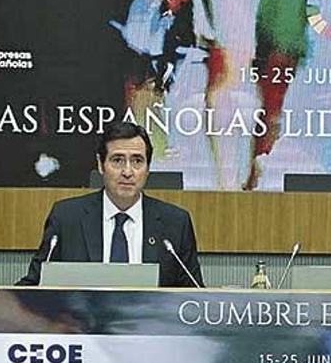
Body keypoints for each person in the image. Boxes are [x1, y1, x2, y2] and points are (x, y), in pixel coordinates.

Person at [18, 122, 203, 287]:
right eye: (117, 160)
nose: (128, 172)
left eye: (137, 161)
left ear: (148, 169)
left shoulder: (175, 223)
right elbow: (34, 286)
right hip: (82, 324)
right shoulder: (67, 218)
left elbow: (194, 298)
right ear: (100, 165)